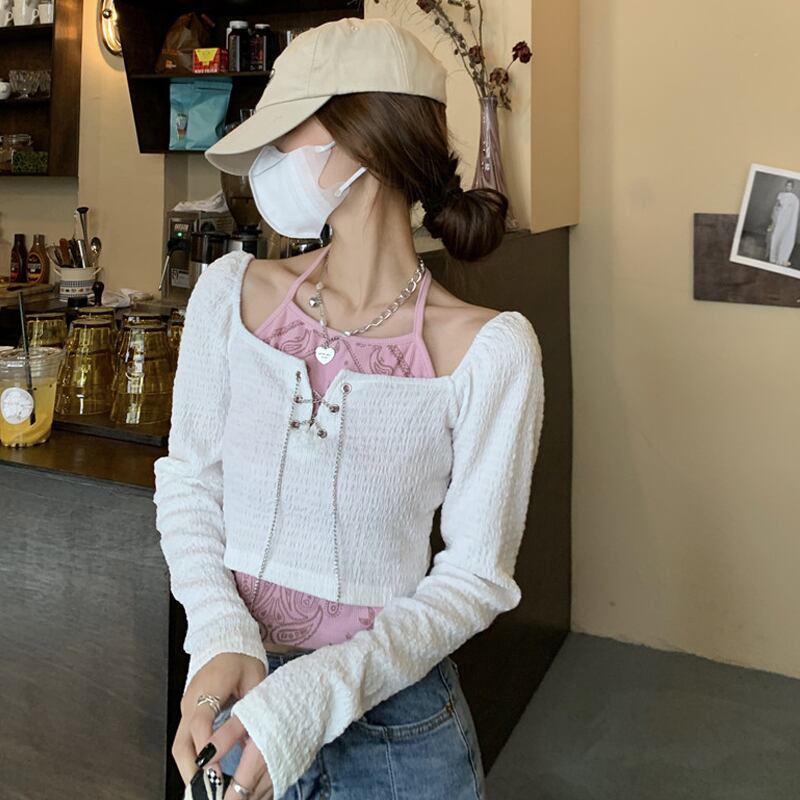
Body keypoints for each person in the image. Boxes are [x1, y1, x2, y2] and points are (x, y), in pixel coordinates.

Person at [153, 17, 545, 800]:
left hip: (398, 732)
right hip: (235, 705)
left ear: (365, 136)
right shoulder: (229, 295)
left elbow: (475, 576)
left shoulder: (491, 351)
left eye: (286, 130)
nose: (269, 157)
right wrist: (220, 633)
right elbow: (191, 482)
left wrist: (311, 698)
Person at [767, 178, 799, 267]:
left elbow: (794, 212)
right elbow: (776, 206)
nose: (788, 187)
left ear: (792, 187)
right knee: (775, 237)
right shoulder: (780, 194)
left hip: (786, 222)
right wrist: (775, 217)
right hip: (779, 219)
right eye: (787, 185)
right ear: (785, 186)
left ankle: (781, 258)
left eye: (790, 186)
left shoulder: (794, 199)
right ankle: (773, 258)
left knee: (783, 238)